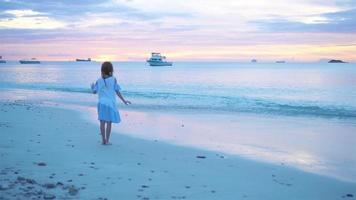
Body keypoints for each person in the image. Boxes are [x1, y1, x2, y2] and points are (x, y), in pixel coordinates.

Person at [91, 61, 131, 145]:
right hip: (110, 104)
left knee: (102, 122)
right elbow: (117, 91)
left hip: (101, 103)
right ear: (111, 70)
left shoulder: (98, 80)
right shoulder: (113, 79)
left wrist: (92, 87)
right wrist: (124, 100)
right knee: (109, 123)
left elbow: (94, 92)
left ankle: (103, 140)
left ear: (102, 70)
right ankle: (107, 141)